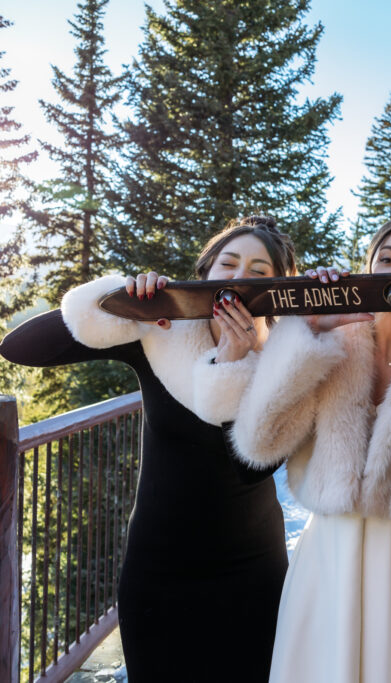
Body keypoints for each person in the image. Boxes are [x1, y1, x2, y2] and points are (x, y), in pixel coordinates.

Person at [0, 216, 297, 681]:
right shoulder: (160, 335)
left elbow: (254, 467)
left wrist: (233, 363)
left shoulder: (286, 356)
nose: (240, 280)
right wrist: (118, 301)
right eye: (229, 264)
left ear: (278, 288)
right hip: (159, 570)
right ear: (204, 275)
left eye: (259, 273)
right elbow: (20, 346)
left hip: (251, 573)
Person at [229, 217, 391, 683]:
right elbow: (260, 440)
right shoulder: (331, 341)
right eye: (386, 258)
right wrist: (305, 334)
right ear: (367, 266)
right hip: (335, 549)